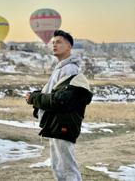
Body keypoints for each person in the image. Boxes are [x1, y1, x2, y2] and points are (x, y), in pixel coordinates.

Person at [25, 30, 93, 181]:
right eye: (53, 42)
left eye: (59, 42)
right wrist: (36, 97)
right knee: (58, 166)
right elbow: (52, 93)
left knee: (66, 166)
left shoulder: (70, 69)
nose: (54, 45)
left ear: (69, 47)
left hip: (63, 123)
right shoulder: (60, 68)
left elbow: (59, 100)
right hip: (56, 122)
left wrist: (33, 98)